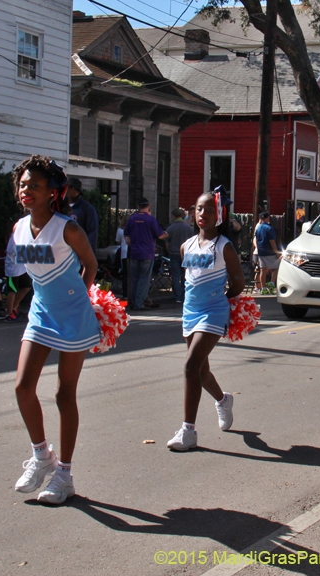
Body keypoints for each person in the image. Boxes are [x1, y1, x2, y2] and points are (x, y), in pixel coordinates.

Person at [10, 155, 101, 504]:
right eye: (22, 184)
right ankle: (41, 456)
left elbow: (90, 264)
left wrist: (82, 298)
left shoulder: (68, 228)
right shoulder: (19, 228)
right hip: (41, 312)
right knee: (22, 386)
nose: (26, 190)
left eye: (34, 185)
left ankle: (64, 474)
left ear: (52, 192)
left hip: (73, 315)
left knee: (65, 394)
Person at [167, 188, 245, 451]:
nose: (203, 214)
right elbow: (190, 279)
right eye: (199, 209)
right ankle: (223, 400)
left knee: (190, 366)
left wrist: (222, 301)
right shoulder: (185, 246)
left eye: (210, 209)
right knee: (201, 370)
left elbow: (237, 283)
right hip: (190, 312)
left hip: (213, 311)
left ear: (220, 214)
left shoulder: (225, 246)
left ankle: (188, 431)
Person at [124, 198, 168, 311]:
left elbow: (127, 238)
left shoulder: (132, 218)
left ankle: (132, 302)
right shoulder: (151, 219)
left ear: (138, 206)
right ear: (148, 206)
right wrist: (167, 235)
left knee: (133, 278)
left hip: (134, 253)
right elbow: (159, 235)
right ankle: (139, 304)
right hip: (147, 253)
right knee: (144, 279)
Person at [164, 208, 194, 304]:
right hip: (187, 254)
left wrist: (170, 252)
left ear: (174, 216)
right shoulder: (189, 228)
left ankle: (177, 296)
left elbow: (167, 243)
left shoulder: (170, 228)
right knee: (186, 275)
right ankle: (186, 295)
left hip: (174, 254)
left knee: (176, 276)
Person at [3, 231, 32, 323]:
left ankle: (14, 307)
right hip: (12, 270)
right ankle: (8, 313)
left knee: (27, 286)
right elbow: (11, 251)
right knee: (12, 291)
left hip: (22, 268)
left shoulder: (23, 235)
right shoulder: (14, 237)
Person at [67, 178, 99, 253]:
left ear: (77, 191)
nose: (67, 190)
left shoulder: (87, 208)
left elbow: (92, 233)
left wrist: (89, 254)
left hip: (79, 252)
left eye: (70, 187)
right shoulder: (60, 207)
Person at [253, 212, 281, 294]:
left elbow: (256, 241)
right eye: (268, 218)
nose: (268, 219)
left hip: (261, 252)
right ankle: (272, 283)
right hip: (270, 252)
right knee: (276, 267)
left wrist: (259, 249)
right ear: (266, 218)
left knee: (262, 270)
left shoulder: (258, 229)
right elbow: (272, 241)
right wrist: (277, 252)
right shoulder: (270, 229)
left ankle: (263, 288)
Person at [114, 215, 129, 299]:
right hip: (132, 252)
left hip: (124, 253)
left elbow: (117, 240)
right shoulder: (132, 229)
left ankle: (125, 293)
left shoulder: (120, 230)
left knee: (125, 274)